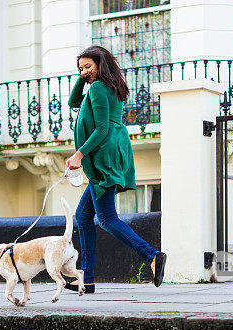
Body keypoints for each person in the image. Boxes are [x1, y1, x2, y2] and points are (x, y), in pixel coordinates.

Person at [64, 45, 167, 294]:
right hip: (111, 152)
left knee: (108, 218)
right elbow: (73, 101)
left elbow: (100, 129)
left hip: (103, 156)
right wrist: (81, 79)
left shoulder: (99, 88)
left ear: (101, 64)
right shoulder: (110, 85)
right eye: (81, 68)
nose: (84, 72)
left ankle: (152, 256)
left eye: (88, 66)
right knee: (84, 217)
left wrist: (79, 153)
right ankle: (86, 279)